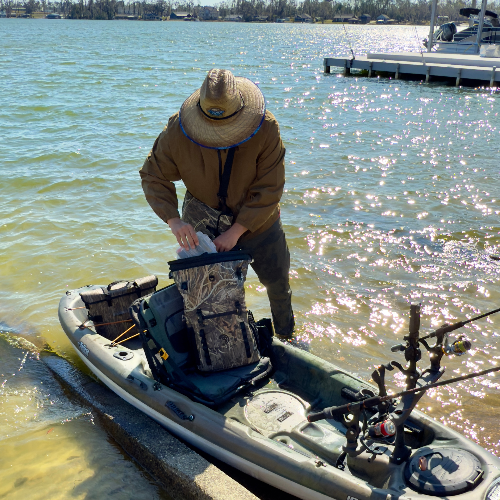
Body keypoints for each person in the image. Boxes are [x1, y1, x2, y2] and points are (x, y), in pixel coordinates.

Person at [139, 68, 294, 339]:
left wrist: (236, 231)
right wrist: (173, 219)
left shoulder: (266, 127)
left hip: (260, 223)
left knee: (277, 285)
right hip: (202, 220)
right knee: (207, 295)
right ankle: (212, 344)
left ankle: (287, 339)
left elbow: (271, 188)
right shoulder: (178, 128)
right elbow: (153, 174)